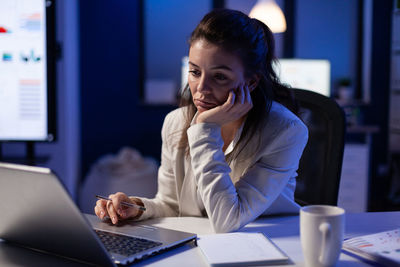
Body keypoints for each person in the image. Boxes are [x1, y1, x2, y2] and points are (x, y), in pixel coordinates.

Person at [94, 9, 308, 233]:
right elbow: (171, 205)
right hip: (200, 244)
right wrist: (137, 208)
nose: (202, 89)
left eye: (220, 77)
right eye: (195, 72)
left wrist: (205, 130)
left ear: (252, 82)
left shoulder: (286, 132)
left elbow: (228, 220)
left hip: (271, 243)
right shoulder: (175, 123)